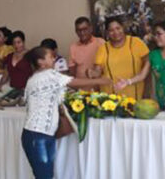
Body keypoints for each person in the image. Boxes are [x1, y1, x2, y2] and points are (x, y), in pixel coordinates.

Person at [21, 46, 111, 179]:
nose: (54, 58)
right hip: (38, 135)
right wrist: (100, 81)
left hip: (40, 134)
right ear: (41, 62)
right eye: (50, 56)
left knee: (45, 175)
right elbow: (74, 83)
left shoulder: (34, 78)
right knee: (44, 175)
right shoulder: (49, 75)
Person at [115, 21, 165, 108]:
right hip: (163, 103)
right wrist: (128, 82)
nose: (156, 37)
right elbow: (142, 75)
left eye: (159, 34)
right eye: (154, 35)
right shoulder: (153, 54)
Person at [91, 17, 150, 99]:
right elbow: (97, 71)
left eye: (118, 28)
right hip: (111, 100)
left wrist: (146, 90)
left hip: (135, 95)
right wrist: (92, 73)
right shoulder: (103, 49)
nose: (115, 32)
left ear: (123, 28)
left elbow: (148, 64)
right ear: (107, 32)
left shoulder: (136, 42)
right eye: (111, 30)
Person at [68, 16, 105, 90]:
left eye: (85, 29)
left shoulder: (101, 43)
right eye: (79, 30)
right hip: (82, 90)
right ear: (76, 31)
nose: (82, 33)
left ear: (90, 29)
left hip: (100, 88)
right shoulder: (73, 47)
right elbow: (72, 71)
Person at [0, 31, 32, 104]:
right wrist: (0, 84)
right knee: (0, 102)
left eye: (19, 42)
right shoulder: (10, 56)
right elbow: (6, 73)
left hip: (27, 90)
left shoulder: (30, 55)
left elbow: (35, 73)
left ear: (23, 42)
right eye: (14, 43)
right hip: (14, 89)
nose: (16, 45)